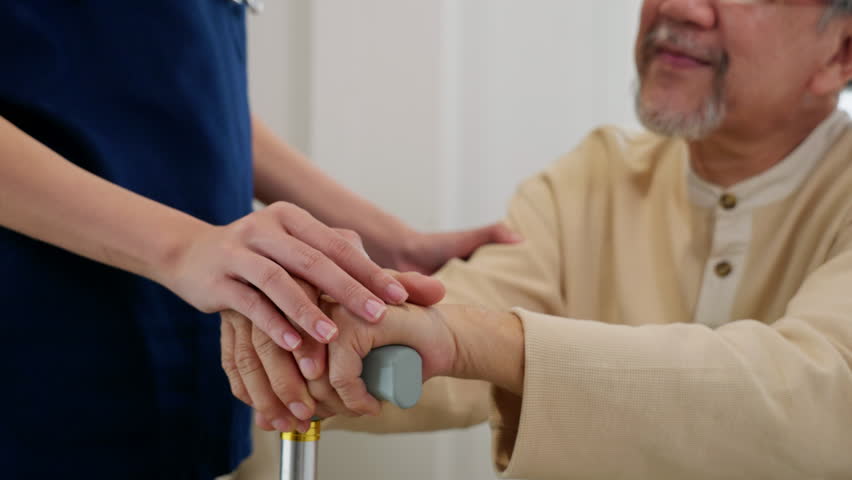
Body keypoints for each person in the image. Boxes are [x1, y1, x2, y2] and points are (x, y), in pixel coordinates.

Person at [223, 0, 852, 478]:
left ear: (842, 54)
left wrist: (478, 341)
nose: (681, 8)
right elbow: (459, 313)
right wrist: (318, 324)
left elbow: (818, 391)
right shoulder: (596, 175)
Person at [0, 2, 517, 478]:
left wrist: (392, 243)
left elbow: (175, 84)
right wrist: (184, 248)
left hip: (185, 339)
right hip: (44, 338)